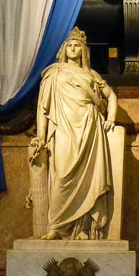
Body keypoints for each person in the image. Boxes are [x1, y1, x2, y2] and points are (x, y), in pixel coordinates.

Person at [33, 27, 118, 240]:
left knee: (89, 178)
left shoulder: (91, 75)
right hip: (63, 127)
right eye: (69, 45)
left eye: (77, 46)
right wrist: (41, 137)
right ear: (64, 49)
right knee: (61, 174)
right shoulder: (55, 73)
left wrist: (111, 118)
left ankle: (81, 228)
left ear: (83, 51)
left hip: (89, 127)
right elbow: (43, 108)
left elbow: (112, 97)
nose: (73, 48)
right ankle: (57, 226)